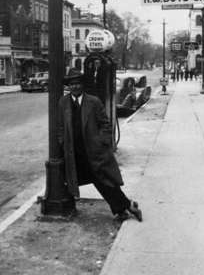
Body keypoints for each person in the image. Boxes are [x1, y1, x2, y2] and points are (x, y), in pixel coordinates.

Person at [57, 69, 142, 222]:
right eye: (72, 84)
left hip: (93, 151)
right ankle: (125, 207)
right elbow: (61, 126)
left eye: (77, 83)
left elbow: (105, 124)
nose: (75, 87)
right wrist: (62, 141)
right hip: (74, 152)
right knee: (77, 180)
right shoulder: (63, 103)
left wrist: (101, 142)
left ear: (82, 85)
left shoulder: (93, 102)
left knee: (103, 180)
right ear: (68, 86)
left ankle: (126, 207)